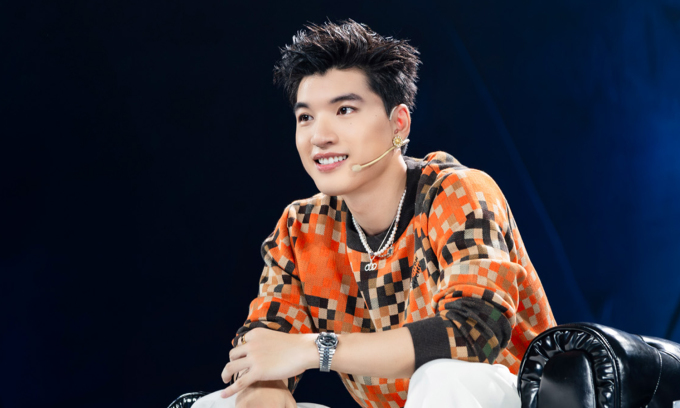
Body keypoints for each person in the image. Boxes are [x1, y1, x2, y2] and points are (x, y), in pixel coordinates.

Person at [194, 19, 556, 408]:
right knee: (218, 404)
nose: (320, 136)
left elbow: (473, 331)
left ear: (398, 123)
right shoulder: (302, 228)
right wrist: (265, 385)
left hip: (516, 395)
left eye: (344, 110)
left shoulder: (456, 193)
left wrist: (318, 349)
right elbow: (265, 338)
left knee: (441, 376)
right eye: (305, 117)